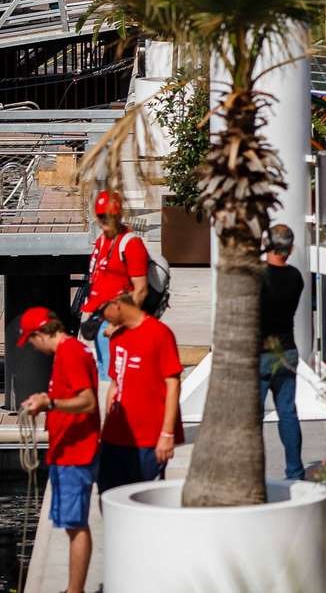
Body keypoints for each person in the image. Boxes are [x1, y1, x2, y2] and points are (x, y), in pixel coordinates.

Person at [17, 308, 97, 593]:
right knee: (71, 524)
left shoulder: (70, 353)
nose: (32, 347)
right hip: (66, 451)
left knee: (75, 525)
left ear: (40, 334)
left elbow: (87, 401)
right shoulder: (69, 353)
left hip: (76, 453)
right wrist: (45, 400)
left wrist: (50, 405)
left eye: (31, 341)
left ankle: (74, 590)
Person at [99, 291, 183, 493]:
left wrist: (167, 433)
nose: (101, 317)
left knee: (144, 500)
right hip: (115, 437)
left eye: (102, 310)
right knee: (108, 497)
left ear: (117, 304)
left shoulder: (159, 333)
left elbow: (173, 384)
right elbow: (115, 383)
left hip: (148, 439)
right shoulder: (116, 337)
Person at [82, 189, 149, 388]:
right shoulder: (102, 240)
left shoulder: (131, 244)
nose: (104, 221)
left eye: (109, 216)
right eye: (101, 216)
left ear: (118, 216)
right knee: (105, 375)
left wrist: (120, 323)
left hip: (115, 321)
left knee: (115, 380)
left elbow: (140, 290)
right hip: (99, 317)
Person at [260, 224, 305, 481]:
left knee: (253, 418)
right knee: (287, 412)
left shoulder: (258, 277)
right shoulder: (295, 277)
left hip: (260, 352)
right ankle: (295, 472)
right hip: (286, 350)